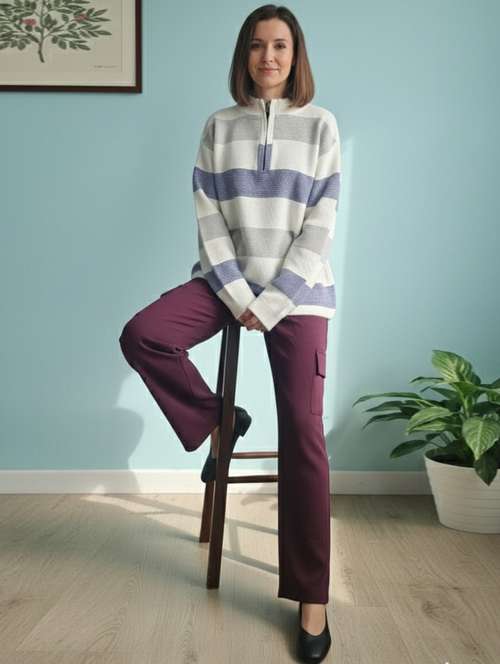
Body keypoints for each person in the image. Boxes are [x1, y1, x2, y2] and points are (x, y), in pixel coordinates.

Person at [119, 4, 340, 662]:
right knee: (144, 334)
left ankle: (312, 598)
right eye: (256, 45)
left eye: (280, 45)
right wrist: (241, 295)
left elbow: (320, 226)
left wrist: (272, 302)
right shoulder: (219, 126)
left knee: (303, 434)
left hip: (299, 296)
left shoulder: (321, 126)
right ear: (244, 55)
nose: (268, 56)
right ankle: (222, 418)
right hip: (226, 283)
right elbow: (209, 220)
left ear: (296, 56)